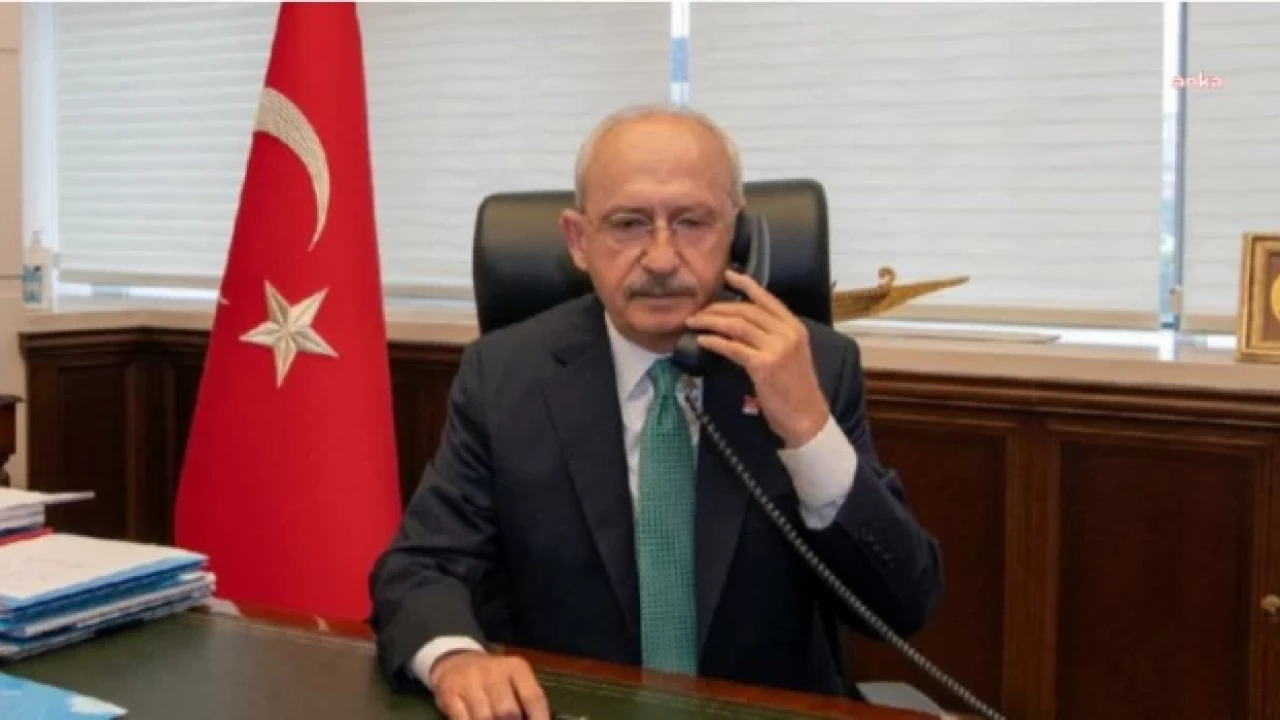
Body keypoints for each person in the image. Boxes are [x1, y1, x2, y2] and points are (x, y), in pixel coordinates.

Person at [369, 105, 943, 720]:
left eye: (693, 222)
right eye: (628, 223)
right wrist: (456, 659)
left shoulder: (815, 367)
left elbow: (902, 604)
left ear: (738, 237)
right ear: (578, 241)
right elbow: (422, 567)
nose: (663, 258)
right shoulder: (506, 375)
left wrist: (807, 429)